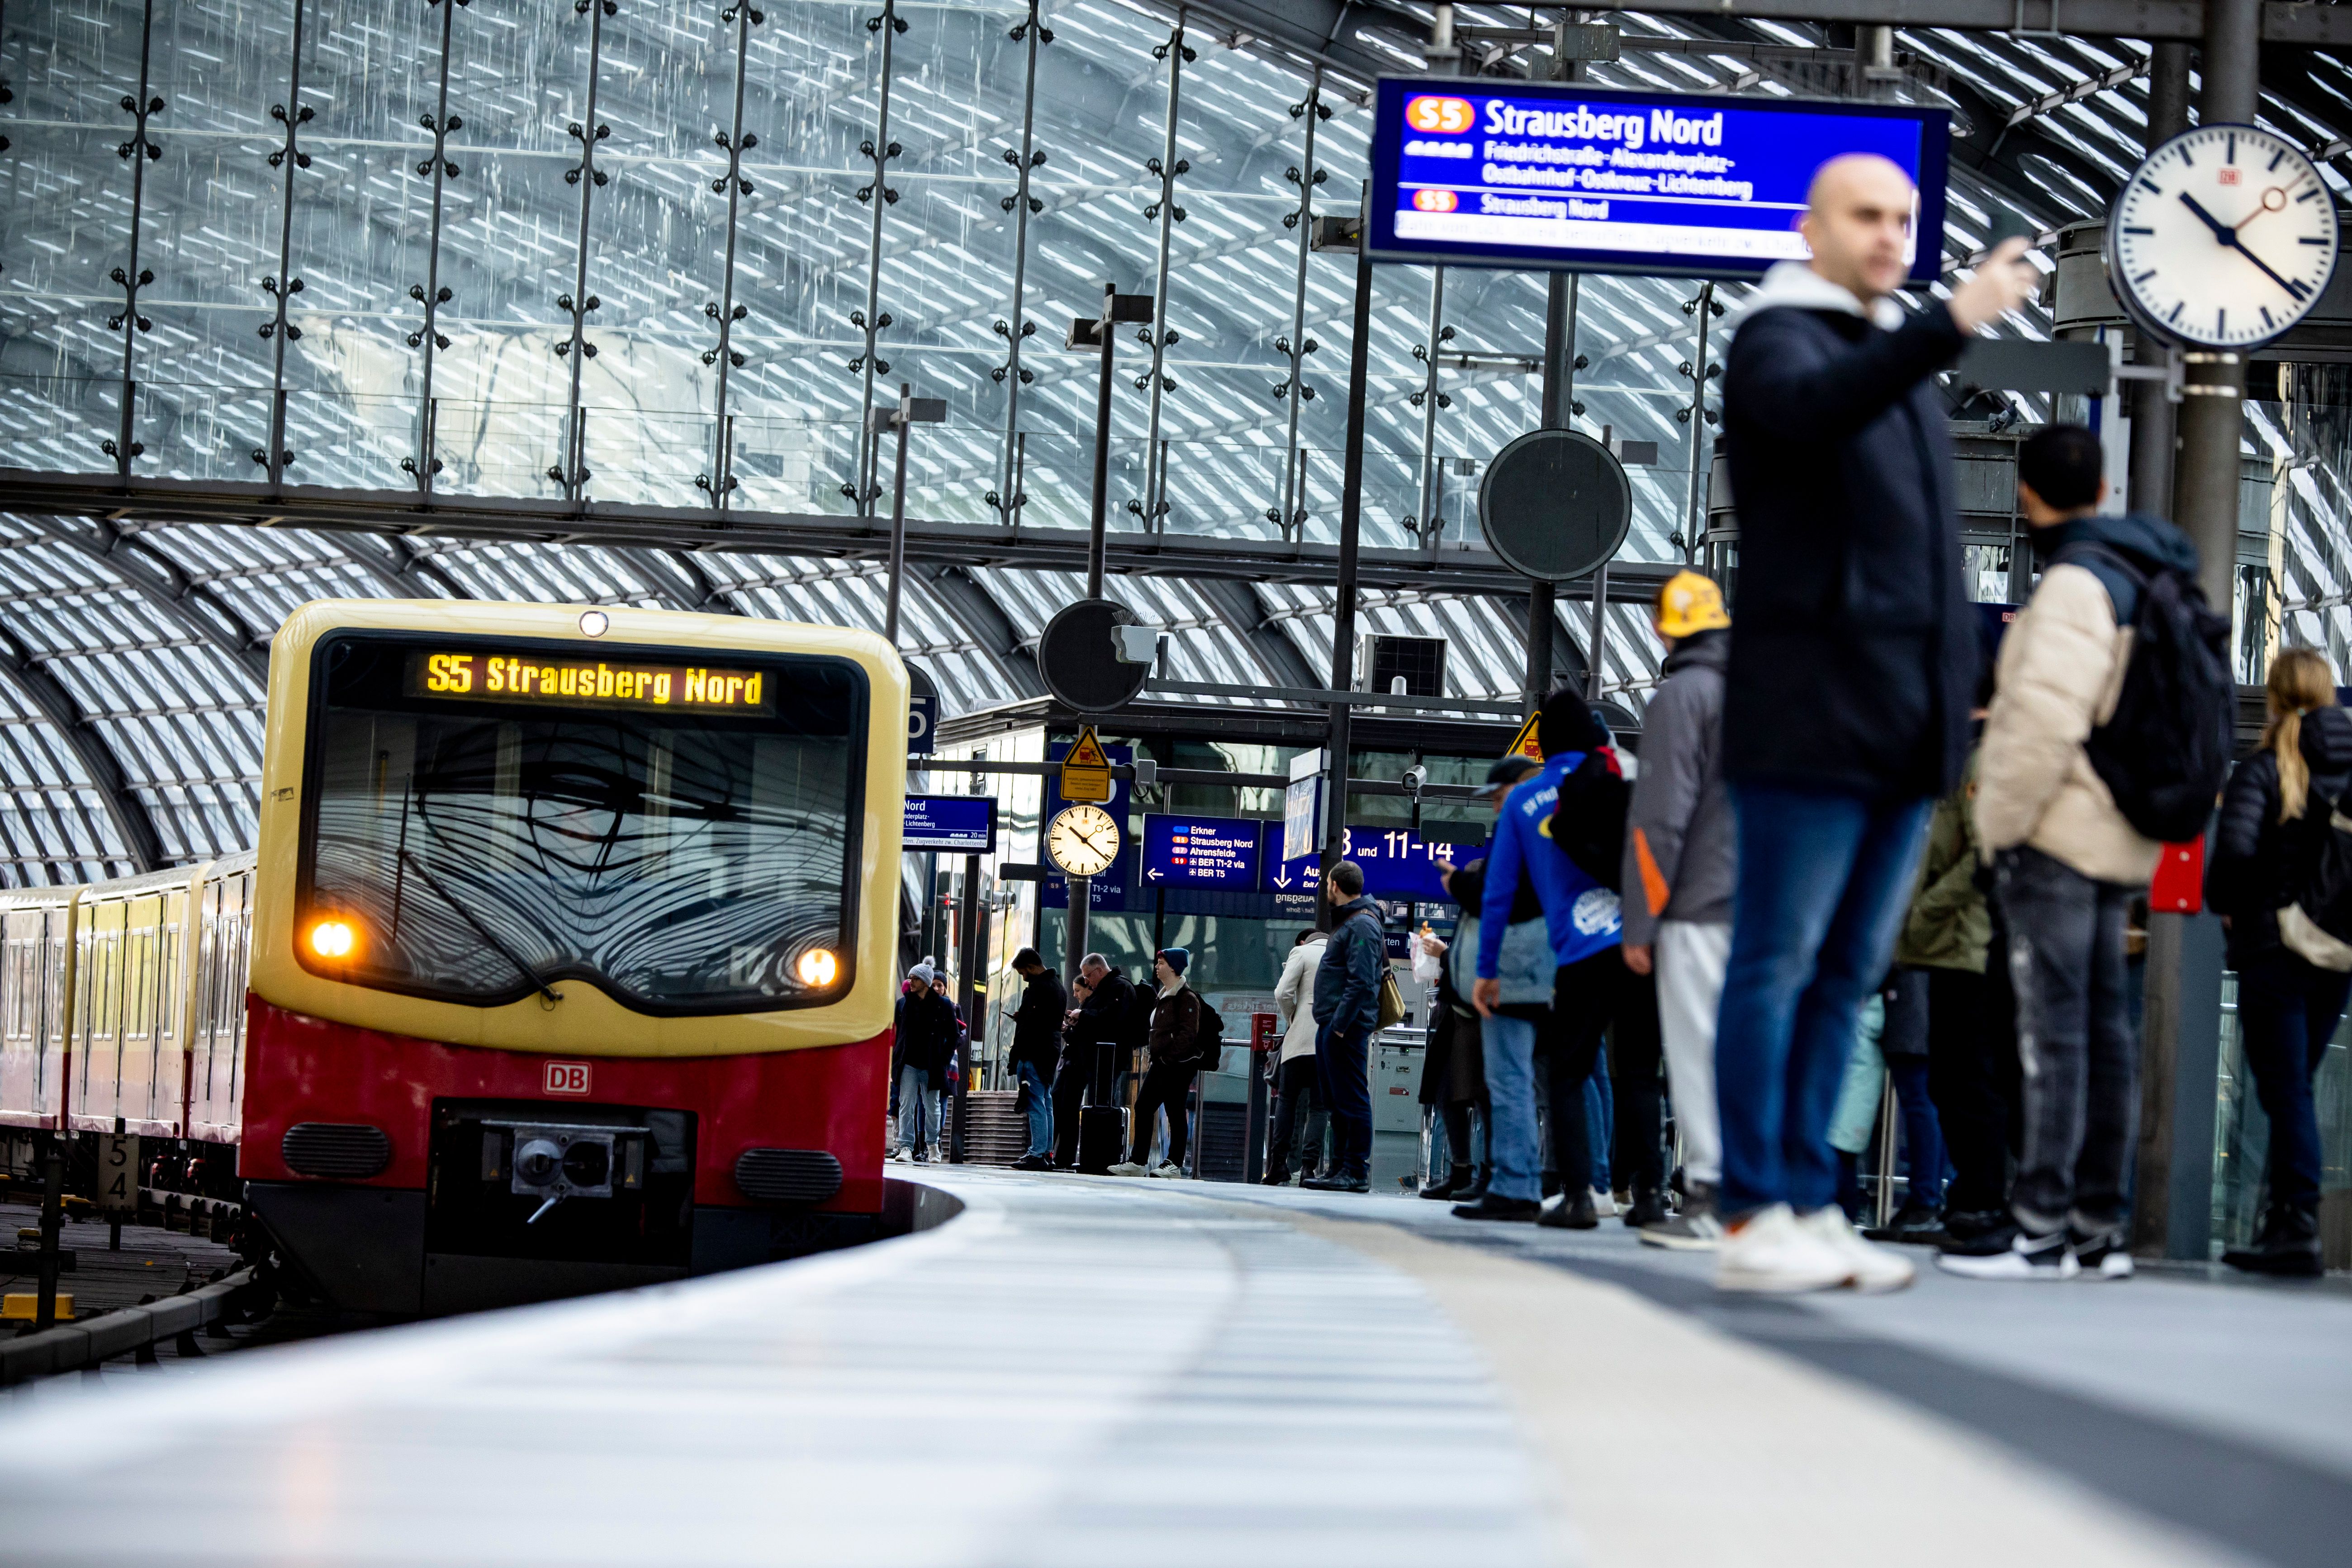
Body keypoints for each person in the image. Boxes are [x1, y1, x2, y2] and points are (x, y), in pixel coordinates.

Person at [1710, 152, 2035, 1294]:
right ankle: (1751, 1204)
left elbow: (1928, 569)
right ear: (1810, 228)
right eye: (1865, 215)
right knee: (1778, 963)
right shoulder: (1779, 337)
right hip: (1809, 713)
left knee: (1844, 972)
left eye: (1903, 217)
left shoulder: (1889, 358)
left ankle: (1804, 1195)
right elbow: (1805, 414)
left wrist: (1948, 725)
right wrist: (1948, 322)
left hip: (1900, 729)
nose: (1889, 234)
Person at [1951, 422, 2193, 1281]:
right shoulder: (2142, 571)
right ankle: (2099, 1227)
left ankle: (2042, 1224)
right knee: (2101, 1031)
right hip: (2121, 834)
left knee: (2052, 1034)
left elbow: (2040, 725)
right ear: (2102, 490)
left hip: (2058, 835)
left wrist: (2000, 828)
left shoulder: (2072, 588)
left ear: (2028, 494)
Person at [2207, 647, 2352, 1276]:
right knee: (2294, 1089)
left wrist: (2236, 904)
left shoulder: (2267, 769)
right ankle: (2278, 1223)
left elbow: (2233, 857)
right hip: (2339, 954)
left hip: (2277, 950)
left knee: (2284, 1090)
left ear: (2275, 695)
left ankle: (2296, 1223)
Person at [1468, 694, 1626, 1230]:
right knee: (1596, 1074)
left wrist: (1484, 969)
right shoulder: (1610, 780)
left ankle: (1517, 1185)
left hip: (1534, 956)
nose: (1494, 803)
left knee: (1516, 1074)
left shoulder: (1524, 800)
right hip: (1617, 944)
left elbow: (1498, 893)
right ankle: (1605, 1184)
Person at [1621, 569, 1734, 1249]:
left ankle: (1712, 1193)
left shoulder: (1679, 698)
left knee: (1695, 1049)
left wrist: (1643, 921)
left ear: (1665, 628)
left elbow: (1661, 820)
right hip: (1766, 901)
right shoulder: (1759, 693)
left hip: (1697, 902)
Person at [1897, 727, 2016, 1251]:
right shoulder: (1963, 756)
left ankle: (1982, 1200)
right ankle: (1973, 1196)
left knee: (1966, 1078)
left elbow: (1980, 853)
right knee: (1951, 1079)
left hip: (1966, 941)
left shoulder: (1983, 759)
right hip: (1950, 944)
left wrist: (1925, 909)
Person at [1307, 861, 1384, 1193]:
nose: (1326, 890)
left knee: (1352, 1098)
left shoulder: (1362, 925)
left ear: (1335, 886)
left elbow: (1363, 982)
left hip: (1346, 1028)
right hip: (1333, 1025)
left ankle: (1356, 1169)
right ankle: (1339, 1166)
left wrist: (1339, 1025)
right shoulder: (1349, 923)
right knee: (1336, 1099)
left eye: (1327, 884)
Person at [1418, 863, 1490, 1201]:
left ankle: (1488, 1173)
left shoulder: (1494, 908)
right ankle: (1460, 1169)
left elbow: (1482, 960)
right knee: (1448, 1091)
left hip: (1478, 1014)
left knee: (1485, 1097)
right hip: (1453, 1013)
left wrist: (1444, 954)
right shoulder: (1470, 914)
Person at [1111, 948, 1205, 1178]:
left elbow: (1188, 1034)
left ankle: (1170, 1163)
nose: (1157, 967)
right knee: (1149, 1107)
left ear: (1173, 967)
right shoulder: (1164, 996)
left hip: (1175, 1065)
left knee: (1169, 1111)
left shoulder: (1186, 998)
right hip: (1163, 1063)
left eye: (1161, 963)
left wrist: (1167, 1058)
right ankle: (1142, 1161)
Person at [1052, 954, 1134, 1170]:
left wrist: (1084, 1015)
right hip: (1091, 1058)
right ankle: (1073, 1157)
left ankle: (1099, 1158)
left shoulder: (1119, 988)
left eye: (1089, 976)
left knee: (1101, 1106)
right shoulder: (1104, 990)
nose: (1087, 981)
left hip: (1107, 1059)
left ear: (1099, 971)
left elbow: (1112, 1019)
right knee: (1072, 1107)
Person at [1266, 927, 1330, 1184]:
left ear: (1305, 940)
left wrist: (1293, 1017)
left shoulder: (1301, 952)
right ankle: (1308, 1169)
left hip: (1301, 1038)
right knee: (1319, 1107)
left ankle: (1278, 1165)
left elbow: (1282, 993)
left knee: (1287, 1100)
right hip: (1328, 1042)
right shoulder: (1343, 955)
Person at [1005, 948, 1065, 1172]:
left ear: (1031, 967)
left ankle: (1037, 1153)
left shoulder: (1038, 989)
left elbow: (1032, 1027)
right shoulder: (1058, 987)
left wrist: (1018, 1054)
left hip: (1033, 1053)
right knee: (1045, 1102)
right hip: (1049, 1052)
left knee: (1034, 1102)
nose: (1024, 978)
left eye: (1023, 973)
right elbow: (1047, 1021)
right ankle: (1047, 1152)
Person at [892, 962, 956, 1162]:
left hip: (933, 1065)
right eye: (910, 978)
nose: (911, 982)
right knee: (906, 1105)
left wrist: (943, 1060)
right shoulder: (903, 1004)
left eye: (916, 979)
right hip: (908, 1064)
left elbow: (954, 1035)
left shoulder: (943, 1005)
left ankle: (932, 1146)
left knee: (932, 1108)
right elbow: (898, 1035)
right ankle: (906, 1148)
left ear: (926, 982)